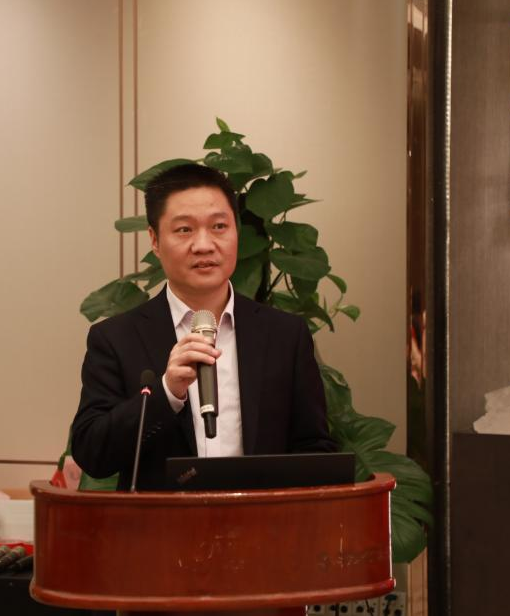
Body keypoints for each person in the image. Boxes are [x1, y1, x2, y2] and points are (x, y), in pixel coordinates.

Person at [70, 163, 337, 490]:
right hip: (161, 522)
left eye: (219, 226)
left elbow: (314, 448)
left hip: (261, 520)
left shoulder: (285, 335)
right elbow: (93, 453)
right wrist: (166, 393)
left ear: (237, 231)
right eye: (184, 230)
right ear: (155, 240)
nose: (204, 245)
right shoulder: (116, 338)